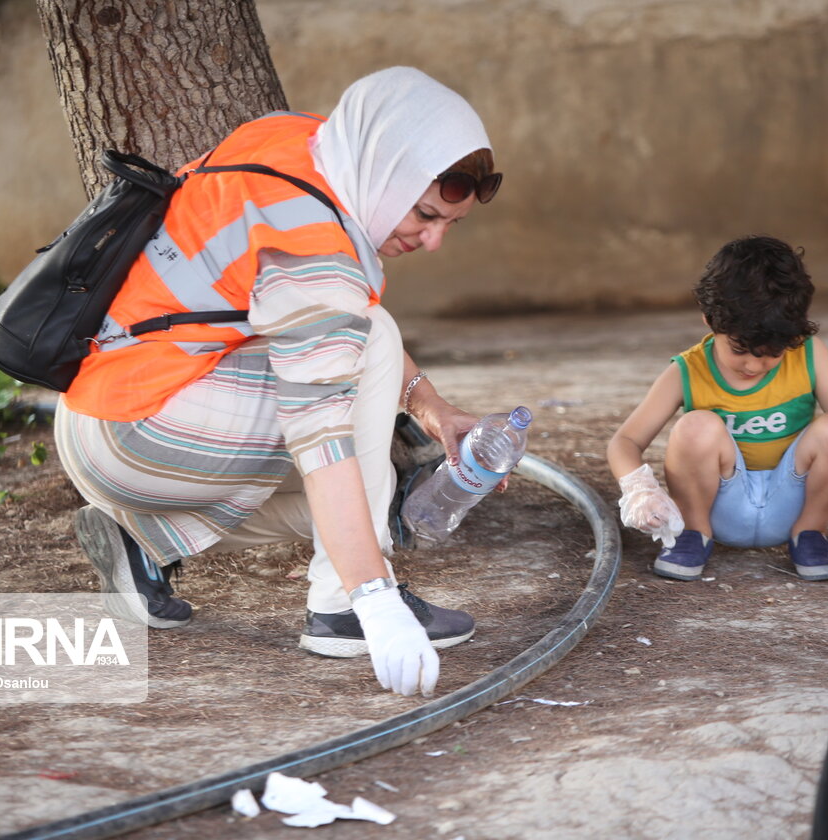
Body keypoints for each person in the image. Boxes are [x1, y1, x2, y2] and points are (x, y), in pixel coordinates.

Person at [53, 67, 503, 698]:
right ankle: (339, 608)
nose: (432, 241)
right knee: (368, 349)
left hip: (96, 416)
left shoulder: (299, 144)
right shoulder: (315, 254)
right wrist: (373, 600)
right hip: (151, 428)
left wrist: (431, 409)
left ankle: (139, 537)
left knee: (373, 478)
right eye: (426, 214)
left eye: (449, 224)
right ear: (387, 168)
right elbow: (321, 438)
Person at [608, 236, 828, 581]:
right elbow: (625, 441)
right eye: (740, 349)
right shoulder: (688, 370)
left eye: (771, 352)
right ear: (710, 320)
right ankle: (694, 534)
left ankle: (811, 534)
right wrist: (637, 488)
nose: (754, 365)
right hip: (718, 507)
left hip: (795, 502)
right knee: (695, 426)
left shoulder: (810, 353)